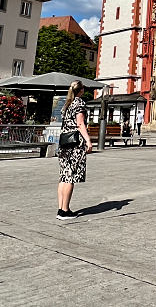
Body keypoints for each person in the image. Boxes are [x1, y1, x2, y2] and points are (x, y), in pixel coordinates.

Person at [57, 80, 92, 220]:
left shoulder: (67, 104)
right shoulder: (79, 103)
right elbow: (80, 123)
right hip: (75, 143)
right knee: (70, 176)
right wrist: (88, 141)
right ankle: (65, 210)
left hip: (64, 142)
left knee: (64, 175)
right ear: (81, 90)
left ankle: (60, 208)